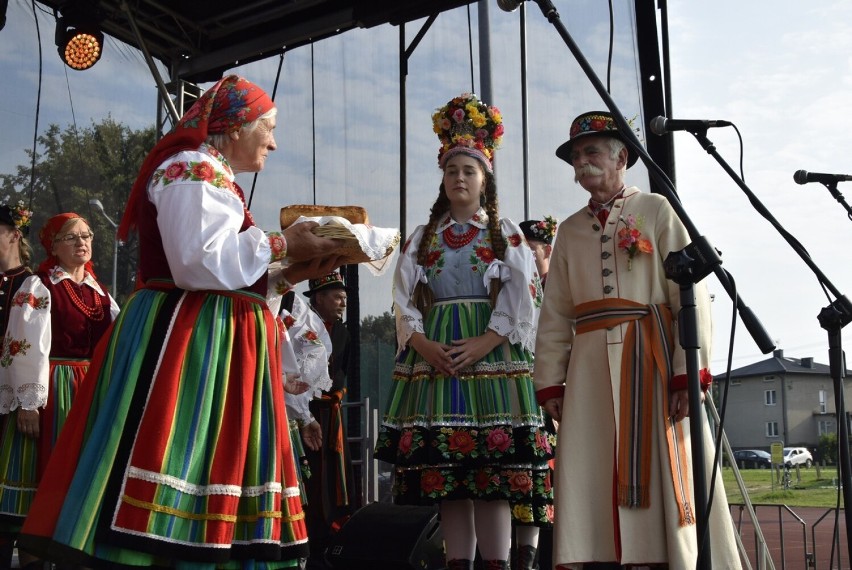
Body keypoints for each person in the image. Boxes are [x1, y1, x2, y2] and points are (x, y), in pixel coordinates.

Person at [19, 75, 343, 568]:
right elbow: (198, 262)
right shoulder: (190, 167)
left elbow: (229, 270)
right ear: (235, 128)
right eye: (269, 128)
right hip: (189, 341)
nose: (274, 142)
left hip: (218, 339)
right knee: (182, 458)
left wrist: (292, 271)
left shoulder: (212, 174)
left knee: (213, 467)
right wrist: (282, 243)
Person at [534, 110, 741, 568]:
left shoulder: (656, 209)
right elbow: (555, 313)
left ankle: (668, 558)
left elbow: (690, 295)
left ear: (622, 156)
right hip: (587, 369)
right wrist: (550, 381)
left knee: (669, 467)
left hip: (653, 360)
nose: (582, 162)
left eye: (592, 152)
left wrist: (690, 371)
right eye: (576, 156)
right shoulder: (567, 230)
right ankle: (600, 558)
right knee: (591, 464)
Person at [374, 93, 553, 570]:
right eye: (451, 170)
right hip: (439, 357)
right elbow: (402, 299)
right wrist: (422, 343)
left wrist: (486, 340)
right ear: (443, 177)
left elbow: (524, 297)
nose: (459, 179)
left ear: (484, 178)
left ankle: (497, 563)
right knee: (449, 475)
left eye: (468, 171)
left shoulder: (505, 233)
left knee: (491, 473)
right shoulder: (421, 236)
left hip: (489, 356)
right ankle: (459, 563)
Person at [0, 201, 51, 570]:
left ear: (14, 234)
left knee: (9, 504)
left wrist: (28, 402)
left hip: (8, 403)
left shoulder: (31, 285)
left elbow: (32, 346)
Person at [511, 215, 558, 570]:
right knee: (508, 474)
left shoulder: (560, 292)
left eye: (532, 252)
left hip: (546, 395)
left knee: (539, 475)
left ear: (548, 253)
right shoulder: (508, 289)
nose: (525, 260)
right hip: (510, 391)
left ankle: (533, 559)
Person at [300, 271, 356, 569]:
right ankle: (306, 530)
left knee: (334, 469)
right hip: (305, 411)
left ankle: (334, 529)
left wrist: (338, 393)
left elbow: (343, 369)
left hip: (331, 411)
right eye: (337, 297)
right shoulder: (299, 326)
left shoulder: (344, 332)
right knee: (310, 468)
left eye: (345, 298)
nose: (342, 302)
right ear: (318, 298)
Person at [519, 216, 557, 287]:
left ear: (547, 251)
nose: (525, 254)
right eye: (522, 250)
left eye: (530, 248)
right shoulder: (519, 286)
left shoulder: (559, 284)